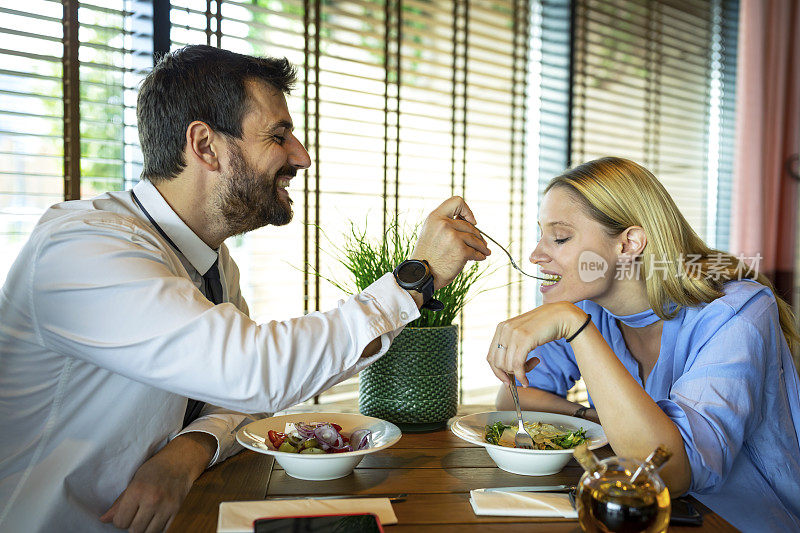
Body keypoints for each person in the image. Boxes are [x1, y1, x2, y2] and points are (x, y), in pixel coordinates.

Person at [0, 45, 491, 533]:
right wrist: (417, 276)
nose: (301, 156)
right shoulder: (85, 250)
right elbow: (255, 371)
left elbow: (243, 398)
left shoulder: (210, 260)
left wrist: (192, 448)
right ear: (206, 145)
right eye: (278, 136)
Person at [487, 157, 800, 531]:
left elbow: (669, 473)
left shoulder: (738, 312)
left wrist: (577, 328)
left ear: (629, 243)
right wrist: (598, 419)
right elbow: (513, 399)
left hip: (740, 519)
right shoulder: (591, 305)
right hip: (642, 513)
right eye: (541, 235)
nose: (536, 255)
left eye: (560, 238)